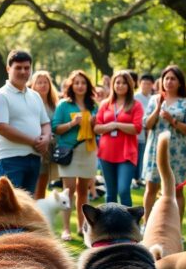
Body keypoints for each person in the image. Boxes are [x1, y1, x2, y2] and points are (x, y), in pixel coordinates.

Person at [0, 50, 51, 194]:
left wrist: (47, 138)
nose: (23, 71)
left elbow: (45, 123)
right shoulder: (1, 96)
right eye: (18, 67)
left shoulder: (35, 96)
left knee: (27, 208)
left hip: (34, 159)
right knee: (9, 210)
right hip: (11, 160)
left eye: (26, 68)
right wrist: (34, 142)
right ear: (8, 69)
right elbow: (1, 128)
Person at [142, 65, 186, 226]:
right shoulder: (154, 99)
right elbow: (147, 124)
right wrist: (158, 107)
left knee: (177, 190)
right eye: (166, 78)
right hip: (155, 150)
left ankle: (176, 228)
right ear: (162, 81)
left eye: (173, 78)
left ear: (180, 82)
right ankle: (147, 225)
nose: (169, 82)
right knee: (151, 188)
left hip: (177, 153)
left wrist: (173, 121)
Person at [52, 70, 98, 241]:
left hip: (88, 150)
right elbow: (56, 128)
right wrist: (72, 123)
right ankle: (66, 229)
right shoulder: (64, 105)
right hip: (69, 152)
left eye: (83, 83)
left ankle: (81, 227)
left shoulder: (94, 105)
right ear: (72, 85)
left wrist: (94, 125)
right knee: (68, 191)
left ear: (88, 86)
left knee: (83, 192)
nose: (80, 86)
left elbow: (99, 130)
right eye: (77, 83)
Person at [94, 70, 143, 206]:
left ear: (130, 85)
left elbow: (137, 128)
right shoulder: (105, 104)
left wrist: (116, 124)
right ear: (113, 84)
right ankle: (109, 224)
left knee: (123, 190)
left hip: (127, 153)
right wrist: (111, 126)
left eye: (124, 83)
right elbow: (97, 128)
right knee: (110, 192)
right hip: (106, 152)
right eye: (117, 82)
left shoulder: (135, 105)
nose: (120, 85)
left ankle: (128, 224)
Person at [29, 70, 60, 199]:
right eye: (39, 82)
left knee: (43, 184)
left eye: (45, 82)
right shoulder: (30, 103)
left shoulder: (55, 105)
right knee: (32, 186)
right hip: (35, 147)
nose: (43, 85)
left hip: (51, 150)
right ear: (33, 85)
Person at [133, 73, 155, 189]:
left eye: (148, 83)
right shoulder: (135, 98)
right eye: (144, 83)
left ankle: (140, 178)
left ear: (152, 85)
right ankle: (135, 179)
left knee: (143, 157)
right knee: (136, 156)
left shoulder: (153, 98)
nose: (146, 86)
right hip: (137, 133)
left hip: (149, 134)